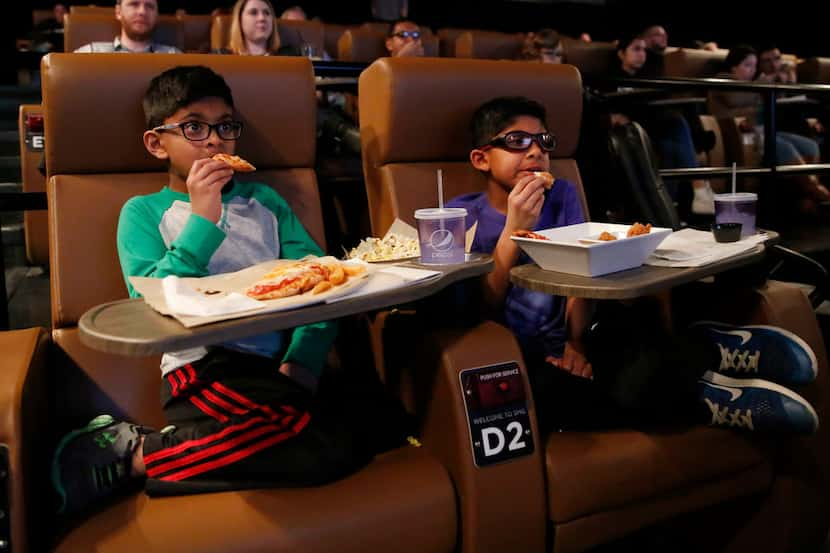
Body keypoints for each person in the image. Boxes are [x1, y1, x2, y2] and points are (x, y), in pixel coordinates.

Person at [50, 66, 383, 517]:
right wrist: (201, 220)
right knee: (321, 441)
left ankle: (167, 449)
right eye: (193, 127)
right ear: (157, 143)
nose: (214, 140)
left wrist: (302, 361)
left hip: (275, 368)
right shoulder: (144, 213)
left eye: (225, 126)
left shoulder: (265, 202)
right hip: (202, 368)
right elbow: (151, 305)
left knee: (380, 420)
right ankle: (135, 456)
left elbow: (321, 282)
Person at [448, 96, 819, 435]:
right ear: (482, 158)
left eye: (543, 142)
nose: (534, 152)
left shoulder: (559, 193)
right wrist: (514, 230)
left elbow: (582, 273)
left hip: (579, 335)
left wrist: (576, 344)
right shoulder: (459, 217)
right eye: (516, 142)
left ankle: (715, 348)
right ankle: (703, 390)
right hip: (519, 355)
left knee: (632, 360)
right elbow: (483, 307)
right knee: (568, 399)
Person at [709, 45, 830, 213]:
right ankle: (818, 191)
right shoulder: (723, 78)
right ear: (733, 66)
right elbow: (735, 98)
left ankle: (806, 195)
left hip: (761, 132)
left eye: (754, 66)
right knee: (783, 146)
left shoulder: (752, 84)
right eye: (747, 65)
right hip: (737, 135)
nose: (752, 70)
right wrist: (765, 84)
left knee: (809, 145)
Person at [608, 34, 716, 215]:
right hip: (634, 130)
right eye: (636, 49)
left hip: (656, 130)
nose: (641, 54)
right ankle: (699, 188)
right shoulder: (612, 78)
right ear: (621, 53)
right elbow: (604, 106)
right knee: (676, 124)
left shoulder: (648, 77)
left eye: (644, 50)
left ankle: (669, 208)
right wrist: (613, 116)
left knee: (669, 143)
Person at [74, 0, 181, 53]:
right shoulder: (90, 53)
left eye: (149, 6)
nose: (142, 12)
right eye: (134, 4)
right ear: (118, 12)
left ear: (157, 15)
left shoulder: (174, 56)